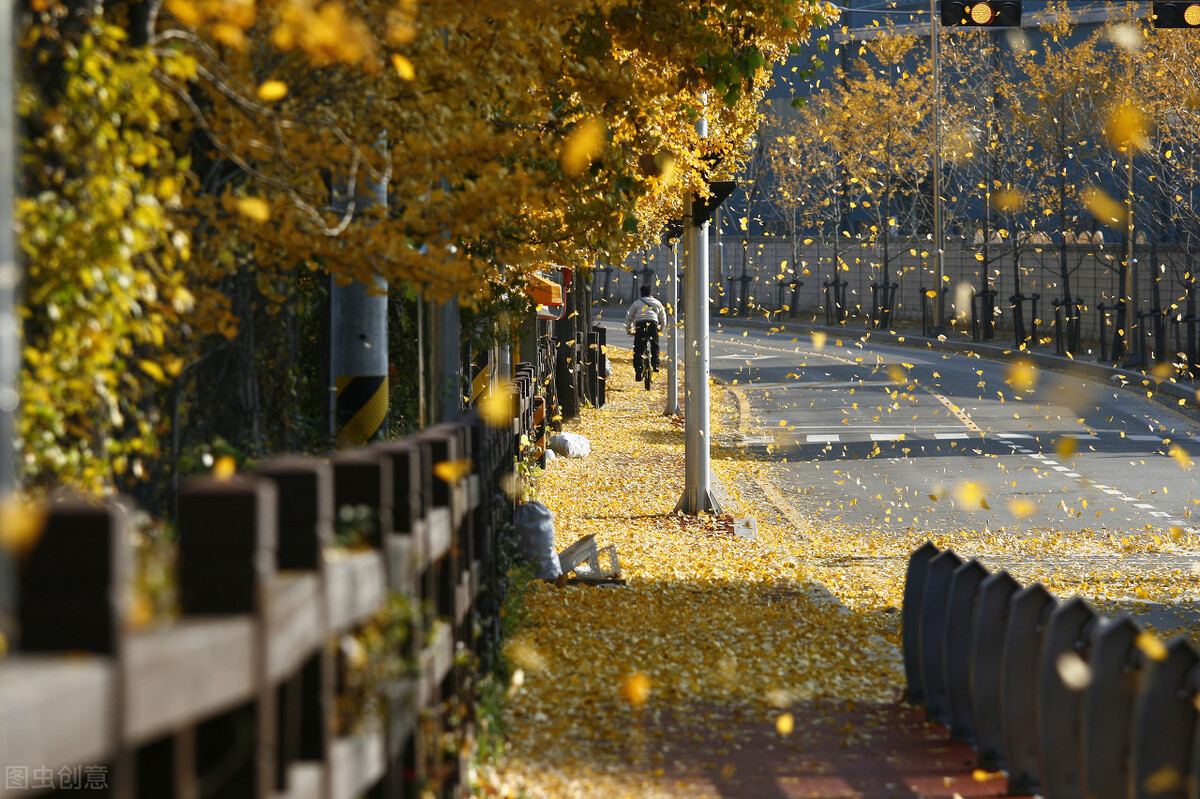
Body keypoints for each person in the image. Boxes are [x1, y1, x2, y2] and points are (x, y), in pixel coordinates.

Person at [625, 284, 667, 380]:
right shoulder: (657, 303)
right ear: (651, 293)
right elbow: (663, 318)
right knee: (655, 345)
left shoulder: (636, 303)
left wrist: (629, 330)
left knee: (638, 347)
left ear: (641, 293)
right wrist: (660, 329)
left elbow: (629, 318)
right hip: (653, 325)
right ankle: (655, 364)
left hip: (640, 325)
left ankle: (639, 367)